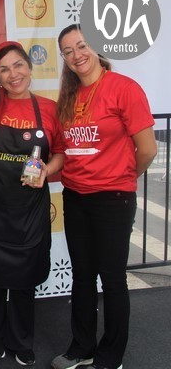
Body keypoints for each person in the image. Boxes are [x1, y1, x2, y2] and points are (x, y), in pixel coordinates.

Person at [50, 24, 157, 369]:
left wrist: (123, 177)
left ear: (96, 47)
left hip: (113, 198)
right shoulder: (68, 97)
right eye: (68, 51)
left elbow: (147, 150)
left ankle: (111, 357)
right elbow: (66, 150)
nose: (77, 55)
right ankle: (82, 348)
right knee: (82, 276)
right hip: (75, 196)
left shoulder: (124, 88)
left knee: (112, 279)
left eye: (82, 46)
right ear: (64, 58)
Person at [0, 41, 65, 366]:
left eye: (18, 65)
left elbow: (60, 153)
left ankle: (21, 340)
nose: (13, 74)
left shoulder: (49, 109)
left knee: (25, 276)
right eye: (4, 69)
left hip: (29, 208)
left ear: (29, 68)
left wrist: (47, 170)